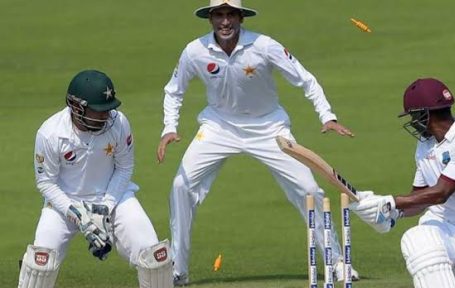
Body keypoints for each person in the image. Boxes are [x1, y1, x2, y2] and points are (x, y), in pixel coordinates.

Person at [156, 0, 359, 285]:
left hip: (269, 127)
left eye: (231, 15)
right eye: (219, 15)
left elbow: (306, 80)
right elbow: (173, 91)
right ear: (210, 18)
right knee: (180, 185)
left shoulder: (264, 46)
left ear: (240, 17)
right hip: (218, 127)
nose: (225, 22)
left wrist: (328, 116)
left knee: (309, 188)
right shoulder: (195, 51)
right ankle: (178, 270)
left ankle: (336, 262)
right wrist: (169, 128)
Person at [19, 70, 173, 288]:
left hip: (113, 196)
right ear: (76, 107)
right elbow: (46, 182)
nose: (106, 116)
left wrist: (106, 208)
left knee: (156, 257)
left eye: (108, 110)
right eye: (98, 111)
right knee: (39, 265)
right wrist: (78, 216)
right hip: (64, 202)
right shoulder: (50, 133)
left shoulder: (119, 123)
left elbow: (124, 168)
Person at [349, 78, 455, 288]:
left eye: (414, 116)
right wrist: (392, 213)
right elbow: (420, 197)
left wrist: (390, 202)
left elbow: (441, 193)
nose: (413, 121)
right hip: (442, 227)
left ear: (426, 114)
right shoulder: (425, 145)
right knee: (418, 239)